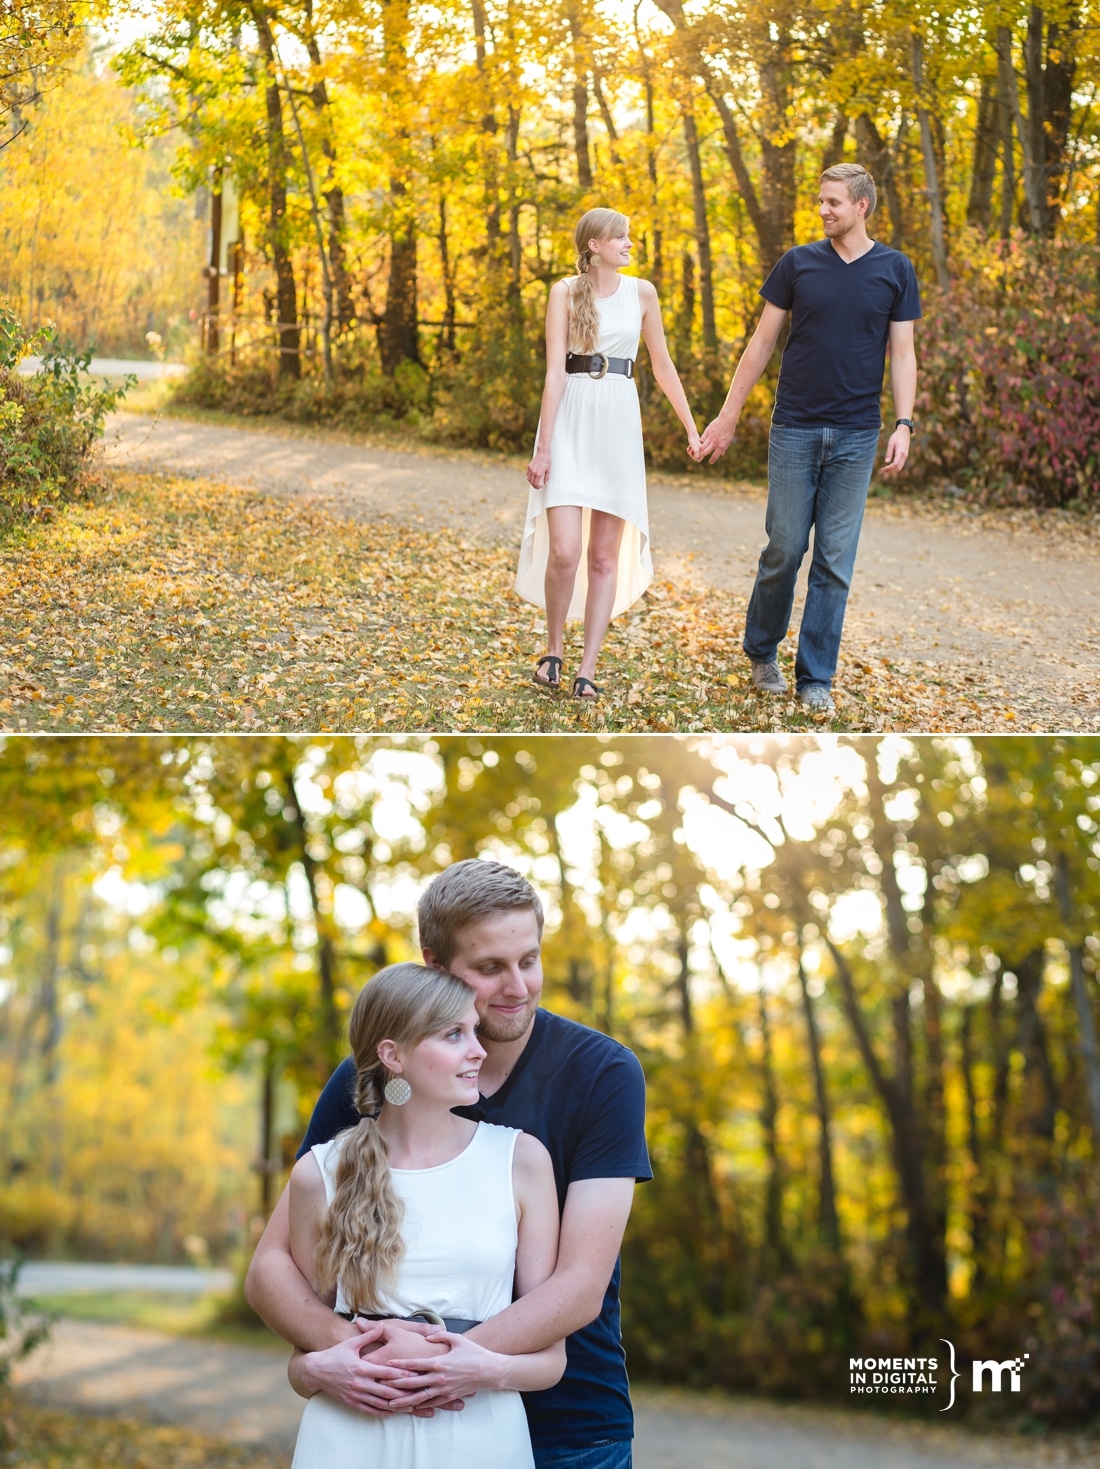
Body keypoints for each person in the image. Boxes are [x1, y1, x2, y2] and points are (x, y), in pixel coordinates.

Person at [246, 859, 652, 1469]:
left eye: (529, 960)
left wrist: (440, 1365)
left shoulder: (601, 1075)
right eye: (490, 968)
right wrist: (357, 1356)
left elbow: (579, 1286)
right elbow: (273, 1265)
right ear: (435, 965)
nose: (518, 986)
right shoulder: (370, 1081)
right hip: (377, 1415)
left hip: (571, 1424)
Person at [288, 962, 563, 1469]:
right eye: (454, 1034)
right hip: (347, 1439)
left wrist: (476, 1370)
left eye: (474, 1031)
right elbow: (303, 1356)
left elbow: (551, 1361)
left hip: (480, 1438)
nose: (478, 1050)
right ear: (393, 1055)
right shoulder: (320, 1173)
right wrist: (315, 1373)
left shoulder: (521, 1161)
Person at [698, 162, 921, 714]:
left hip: (855, 434)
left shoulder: (896, 269)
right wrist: (727, 417)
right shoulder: (798, 264)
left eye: (833, 203)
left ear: (861, 206)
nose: (823, 210)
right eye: (820, 201)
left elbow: (905, 353)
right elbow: (761, 343)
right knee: (785, 548)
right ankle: (762, 653)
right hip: (794, 428)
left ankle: (816, 676)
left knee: (835, 561)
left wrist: (904, 422)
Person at [517, 206, 702, 699]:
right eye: (619, 236)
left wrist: (691, 426)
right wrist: (544, 447)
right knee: (565, 552)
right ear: (594, 245)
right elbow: (554, 373)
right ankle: (552, 651)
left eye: (628, 235)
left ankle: (586, 670)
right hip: (572, 416)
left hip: (618, 422)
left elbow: (661, 365)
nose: (629, 243)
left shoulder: (643, 293)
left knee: (602, 557)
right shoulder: (564, 292)